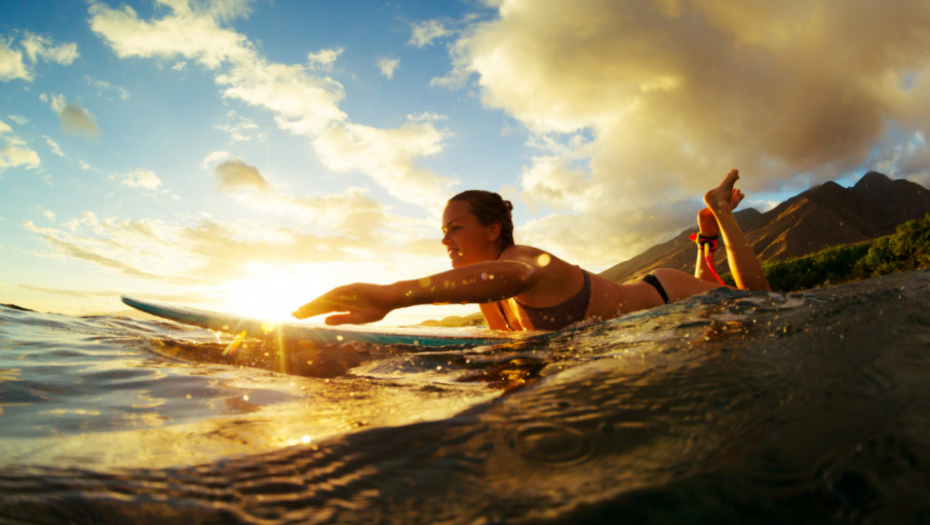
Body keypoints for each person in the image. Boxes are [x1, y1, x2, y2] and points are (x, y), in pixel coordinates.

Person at [293, 169, 771, 330]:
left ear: (495, 230)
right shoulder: (487, 293)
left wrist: (392, 295)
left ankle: (720, 215)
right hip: (659, 318)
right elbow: (507, 350)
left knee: (760, 303)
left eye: (455, 228)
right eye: (443, 230)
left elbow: (515, 280)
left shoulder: (520, 262)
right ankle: (706, 234)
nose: (445, 240)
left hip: (662, 295)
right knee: (728, 299)